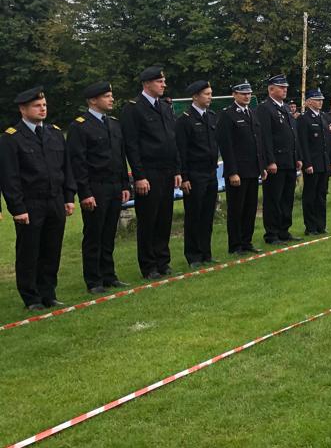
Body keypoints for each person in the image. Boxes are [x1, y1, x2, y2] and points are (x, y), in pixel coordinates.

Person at [0, 87, 76, 310]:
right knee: (29, 251)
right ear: (23, 109)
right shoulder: (11, 138)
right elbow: (9, 177)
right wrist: (17, 208)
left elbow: (66, 168)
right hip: (31, 203)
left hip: (55, 200)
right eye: (37, 106)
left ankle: (48, 293)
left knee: (52, 249)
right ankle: (31, 297)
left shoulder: (54, 133)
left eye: (44, 105)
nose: (42, 109)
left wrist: (68, 197)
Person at [67, 81, 130, 294]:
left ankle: (109, 275)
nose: (112, 99)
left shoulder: (113, 123)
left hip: (114, 186)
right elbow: (78, 162)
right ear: (93, 100)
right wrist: (85, 193)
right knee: (94, 234)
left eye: (111, 95)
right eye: (106, 96)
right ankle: (94, 280)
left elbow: (120, 156)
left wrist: (124, 184)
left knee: (109, 233)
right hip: (95, 187)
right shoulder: (80, 126)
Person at [121, 66, 182, 280]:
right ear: (147, 84)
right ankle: (149, 266)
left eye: (163, 81)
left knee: (164, 218)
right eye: (159, 81)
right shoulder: (134, 108)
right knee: (149, 219)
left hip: (167, 171)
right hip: (149, 172)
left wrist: (177, 169)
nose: (164, 84)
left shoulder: (164, 106)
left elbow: (172, 139)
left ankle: (163, 261)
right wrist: (139, 176)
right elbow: (131, 145)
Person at [216, 80, 265, 255]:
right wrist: (232, 172)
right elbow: (226, 146)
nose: (247, 96)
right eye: (243, 93)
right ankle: (235, 245)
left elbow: (258, 142)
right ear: (234, 95)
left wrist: (261, 167)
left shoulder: (252, 113)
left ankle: (246, 241)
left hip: (253, 169)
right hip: (238, 171)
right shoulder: (227, 115)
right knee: (237, 209)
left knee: (250, 208)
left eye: (249, 93)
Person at [175, 80, 220, 268]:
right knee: (194, 215)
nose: (210, 97)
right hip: (194, 174)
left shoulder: (211, 116)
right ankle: (193, 255)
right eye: (206, 94)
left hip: (210, 173)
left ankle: (206, 253)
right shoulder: (185, 120)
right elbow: (181, 150)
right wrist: (184, 177)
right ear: (195, 96)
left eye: (211, 94)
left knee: (208, 215)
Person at [257, 75, 301, 245]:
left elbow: (293, 134)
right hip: (276, 161)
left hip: (289, 160)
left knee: (287, 198)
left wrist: (297, 157)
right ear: (271, 89)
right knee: (273, 199)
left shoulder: (285, 108)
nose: (284, 90)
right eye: (281, 87)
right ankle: (272, 233)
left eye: (285, 87)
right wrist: (270, 161)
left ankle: (284, 230)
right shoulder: (265, 108)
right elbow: (265, 137)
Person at [297, 88, 331, 235]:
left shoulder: (323, 117)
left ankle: (321, 225)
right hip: (313, 163)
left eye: (321, 100)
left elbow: (328, 140)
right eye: (317, 100)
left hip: (324, 162)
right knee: (310, 195)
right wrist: (307, 163)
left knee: (321, 194)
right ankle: (311, 227)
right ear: (308, 102)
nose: (320, 102)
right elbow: (303, 143)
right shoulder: (304, 119)